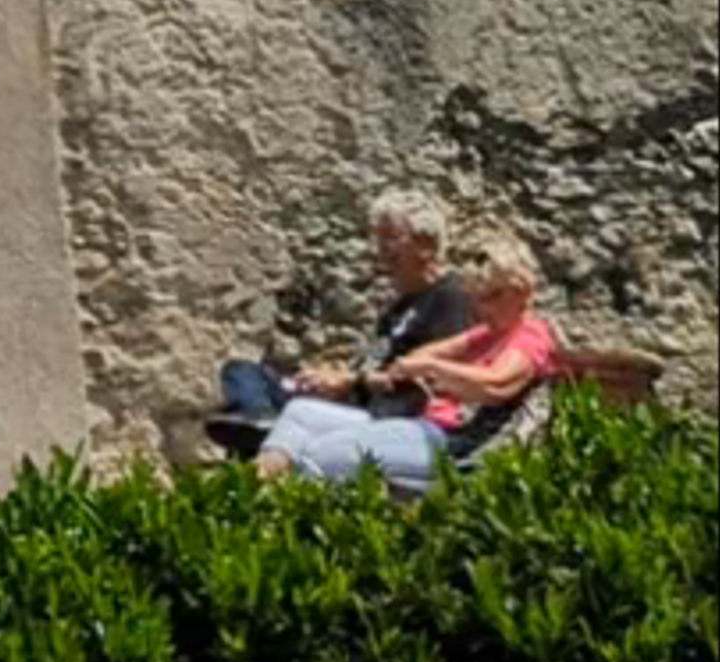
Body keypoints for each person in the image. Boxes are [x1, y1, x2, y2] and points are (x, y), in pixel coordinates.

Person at [253, 231, 564, 490]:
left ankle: (284, 529)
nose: (482, 309)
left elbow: (496, 384)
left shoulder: (531, 335)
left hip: (455, 445)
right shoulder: (489, 332)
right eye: (477, 298)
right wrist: (426, 367)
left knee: (323, 454)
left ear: (521, 291)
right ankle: (252, 496)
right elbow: (422, 356)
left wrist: (433, 370)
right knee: (301, 414)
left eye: (492, 297)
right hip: (430, 428)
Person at [217, 200, 470, 435]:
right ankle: (263, 423)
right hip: (350, 401)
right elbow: (372, 366)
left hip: (385, 414)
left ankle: (266, 431)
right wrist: (329, 377)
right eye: (378, 239)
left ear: (425, 246)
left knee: (262, 409)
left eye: (390, 238)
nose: (381, 250)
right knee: (242, 372)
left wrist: (349, 381)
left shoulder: (449, 297)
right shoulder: (397, 309)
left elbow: (434, 378)